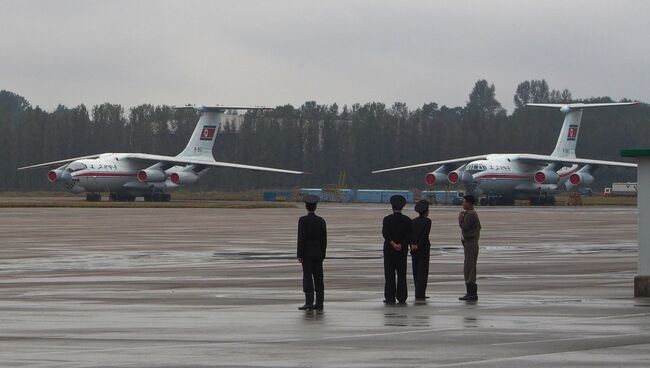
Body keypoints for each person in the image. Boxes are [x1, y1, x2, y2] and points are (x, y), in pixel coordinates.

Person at [297, 194, 327, 310]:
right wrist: (323, 253)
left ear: (306, 207)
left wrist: (299, 254)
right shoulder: (321, 221)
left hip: (307, 252)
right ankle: (319, 303)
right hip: (318, 252)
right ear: (315, 207)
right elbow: (324, 239)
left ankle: (309, 302)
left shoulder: (303, 220)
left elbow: (301, 238)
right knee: (319, 277)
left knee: (308, 277)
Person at [382, 195, 412, 304]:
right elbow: (409, 235)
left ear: (392, 206)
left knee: (389, 275)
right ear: (402, 207)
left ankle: (390, 297)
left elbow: (385, 233)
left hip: (389, 251)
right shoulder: (408, 220)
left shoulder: (387, 219)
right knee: (401, 275)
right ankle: (402, 296)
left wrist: (393, 243)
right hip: (402, 251)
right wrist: (401, 244)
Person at [458, 194, 481, 301]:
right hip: (470, 243)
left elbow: (464, 226)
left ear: (469, 203)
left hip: (470, 244)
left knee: (469, 267)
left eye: (464, 202)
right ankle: (470, 292)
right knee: (469, 266)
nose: (463, 203)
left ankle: (471, 293)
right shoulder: (471, 213)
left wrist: (460, 219)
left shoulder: (470, 214)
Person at [411, 200, 432, 301]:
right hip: (423, 248)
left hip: (414, 249)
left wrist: (413, 244)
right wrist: (418, 245)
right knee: (423, 272)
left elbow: (411, 235)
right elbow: (424, 235)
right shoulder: (428, 221)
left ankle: (417, 291)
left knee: (415, 270)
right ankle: (421, 293)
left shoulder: (413, 221)